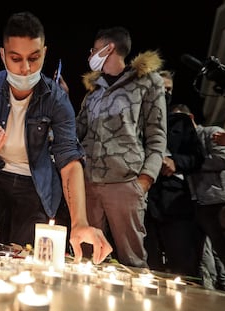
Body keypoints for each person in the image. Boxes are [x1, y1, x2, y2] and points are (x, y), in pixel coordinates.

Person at [0, 11, 112, 264]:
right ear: (2, 55)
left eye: (34, 58)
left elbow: (69, 160)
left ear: (44, 52)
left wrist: (80, 222)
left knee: (25, 257)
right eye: (15, 58)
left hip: (36, 183)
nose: (26, 68)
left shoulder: (56, 99)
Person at [75, 26, 167, 268]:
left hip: (125, 183)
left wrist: (145, 179)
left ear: (109, 48)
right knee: (86, 258)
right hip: (89, 184)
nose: (91, 55)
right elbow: (76, 131)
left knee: (132, 260)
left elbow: (157, 135)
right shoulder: (93, 92)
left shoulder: (147, 82)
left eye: (94, 50)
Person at [145, 71, 205, 277]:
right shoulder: (137, 121)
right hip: (145, 202)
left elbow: (197, 157)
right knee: (148, 265)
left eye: (169, 89)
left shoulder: (182, 122)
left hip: (174, 202)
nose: (165, 93)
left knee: (183, 265)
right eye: (160, 88)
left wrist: (175, 162)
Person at [173, 103, 225, 290]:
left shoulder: (210, 132)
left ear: (190, 118)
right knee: (212, 253)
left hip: (219, 200)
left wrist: (190, 163)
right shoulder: (183, 143)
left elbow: (224, 159)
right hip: (197, 203)